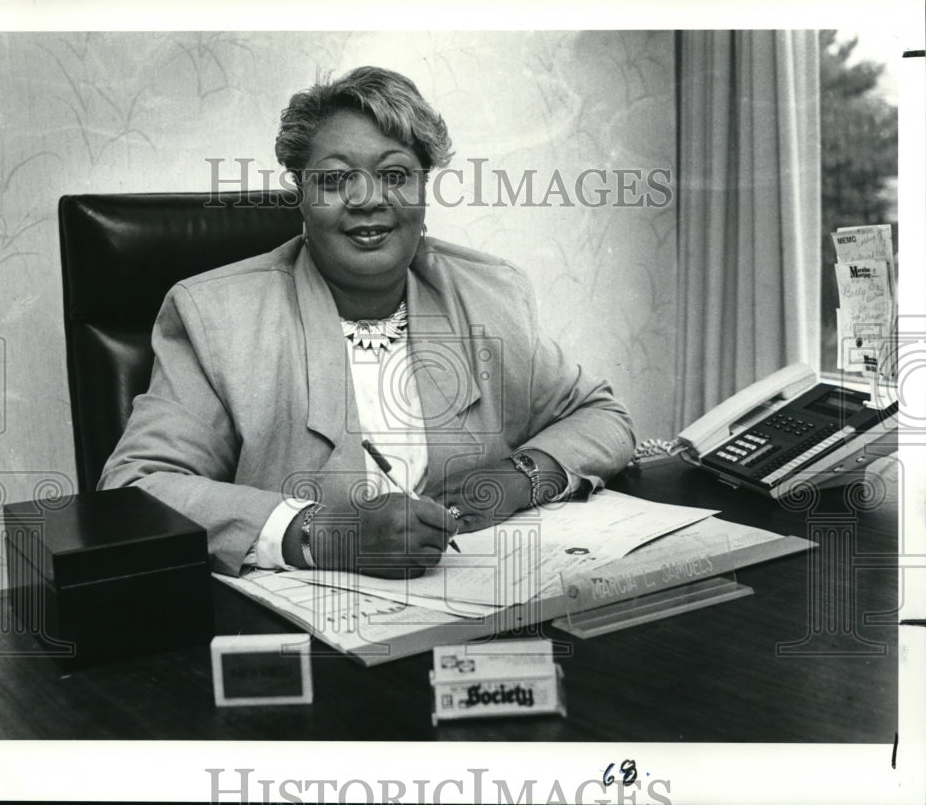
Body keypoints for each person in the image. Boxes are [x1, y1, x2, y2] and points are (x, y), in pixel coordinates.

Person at [99, 66, 635, 580]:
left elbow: (601, 416)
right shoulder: (215, 317)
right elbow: (136, 488)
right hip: (300, 633)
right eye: (335, 179)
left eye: (395, 175)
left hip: (475, 605)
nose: (368, 200)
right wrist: (325, 533)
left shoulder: (489, 294)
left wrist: (517, 477)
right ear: (301, 195)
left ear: (425, 190)